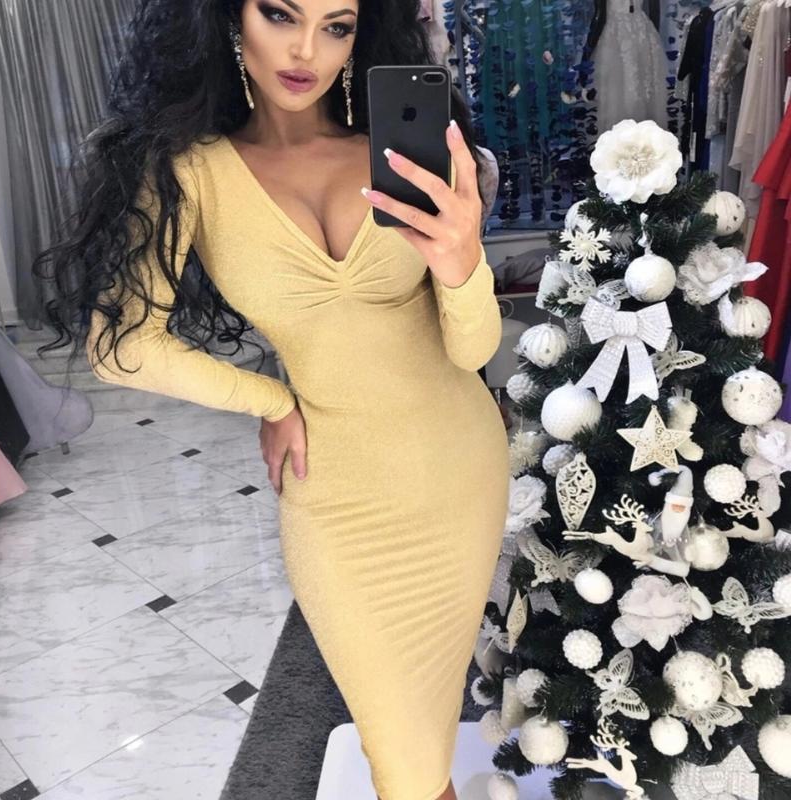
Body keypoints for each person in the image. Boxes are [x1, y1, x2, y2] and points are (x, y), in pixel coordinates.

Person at [32, 2, 510, 798]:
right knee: (402, 755)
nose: (305, 50)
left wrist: (463, 262)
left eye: (337, 25)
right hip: (336, 500)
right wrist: (270, 400)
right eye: (281, 14)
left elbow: (472, 351)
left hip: (456, 474)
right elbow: (122, 345)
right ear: (229, 16)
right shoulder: (188, 171)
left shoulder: (402, 150)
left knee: (420, 747)